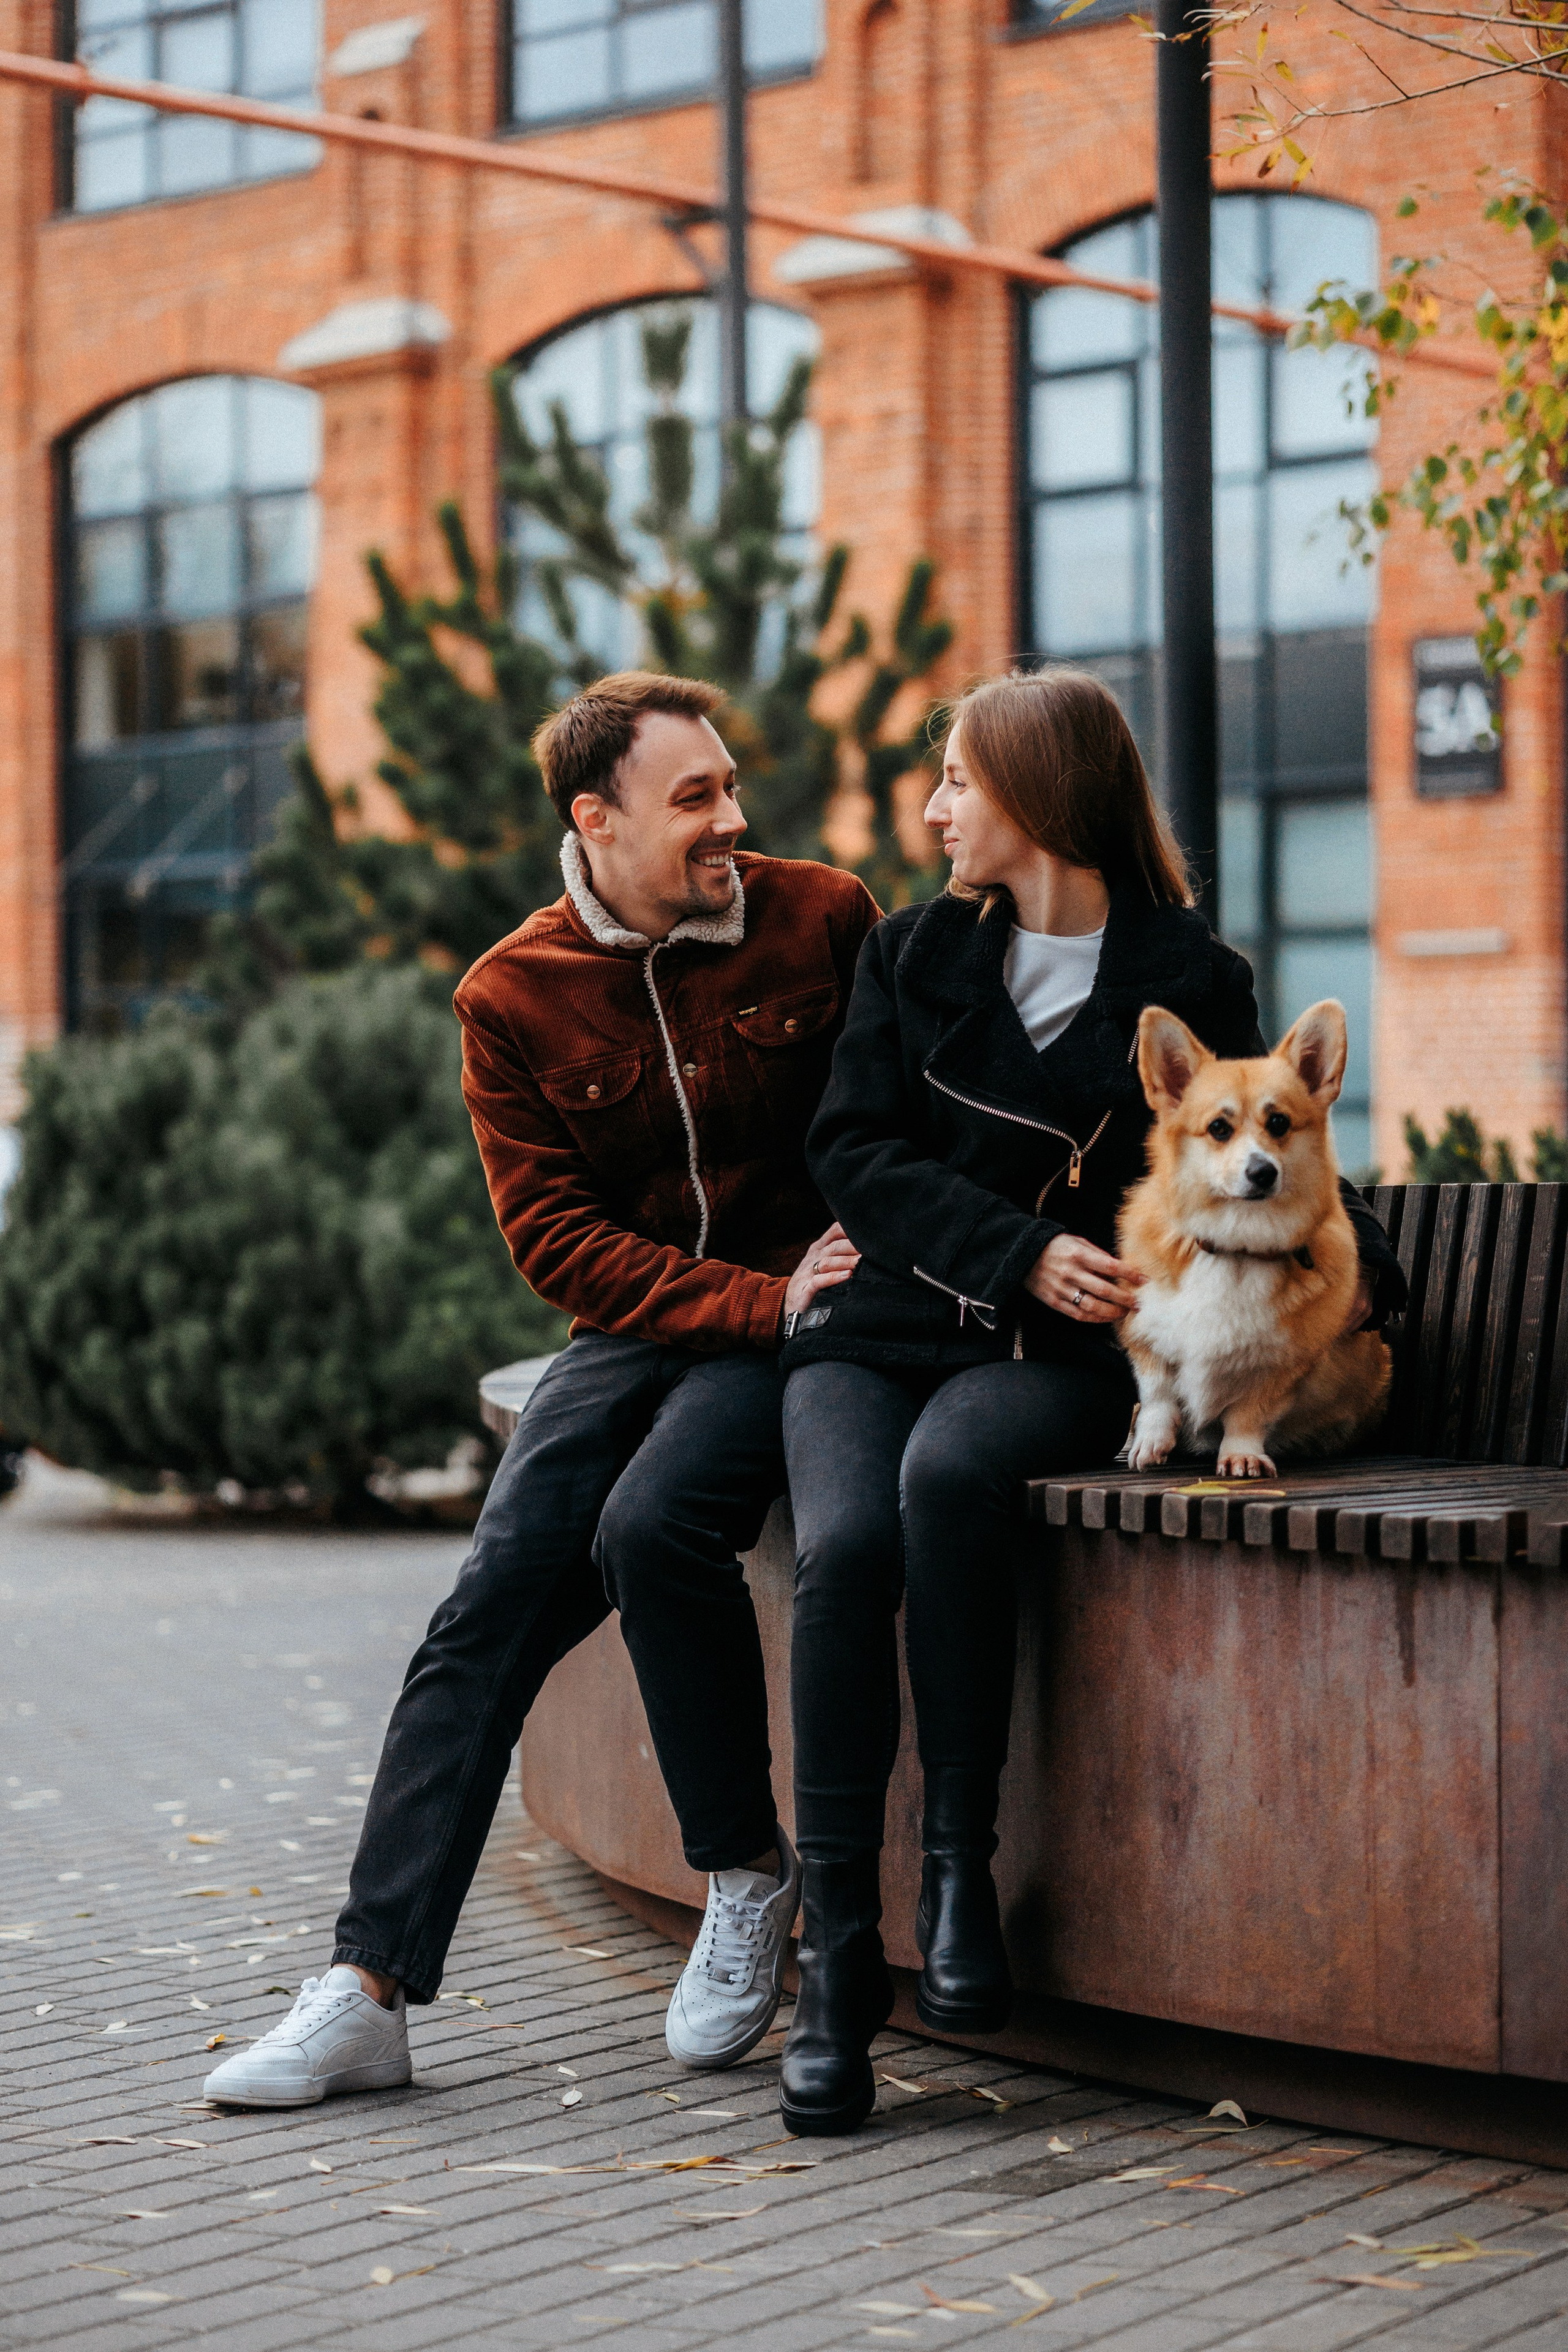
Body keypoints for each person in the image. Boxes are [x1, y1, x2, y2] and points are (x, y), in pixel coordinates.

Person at [204, 671, 875, 2109]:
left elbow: (886, 1123)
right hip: (651, 1327)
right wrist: (743, 1297)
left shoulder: (824, 913)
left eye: (729, 786)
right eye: (693, 796)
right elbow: (554, 1241)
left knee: (652, 1529)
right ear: (598, 817)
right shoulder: (510, 994)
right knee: (487, 1605)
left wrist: (796, 1296)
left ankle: (744, 1880)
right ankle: (367, 1992)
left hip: (798, 1324)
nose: (730, 819)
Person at [774, 668, 1406, 2136]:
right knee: (847, 1545)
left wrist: (1359, 1270)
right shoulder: (909, 954)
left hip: (1064, 1362)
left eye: (957, 782)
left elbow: (1270, 1142)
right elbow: (850, 1149)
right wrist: (1013, 1248)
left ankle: (955, 1872)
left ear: (1038, 797)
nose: (933, 810)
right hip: (877, 1332)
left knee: (947, 1482)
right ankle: (835, 1965)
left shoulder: (1194, 977)